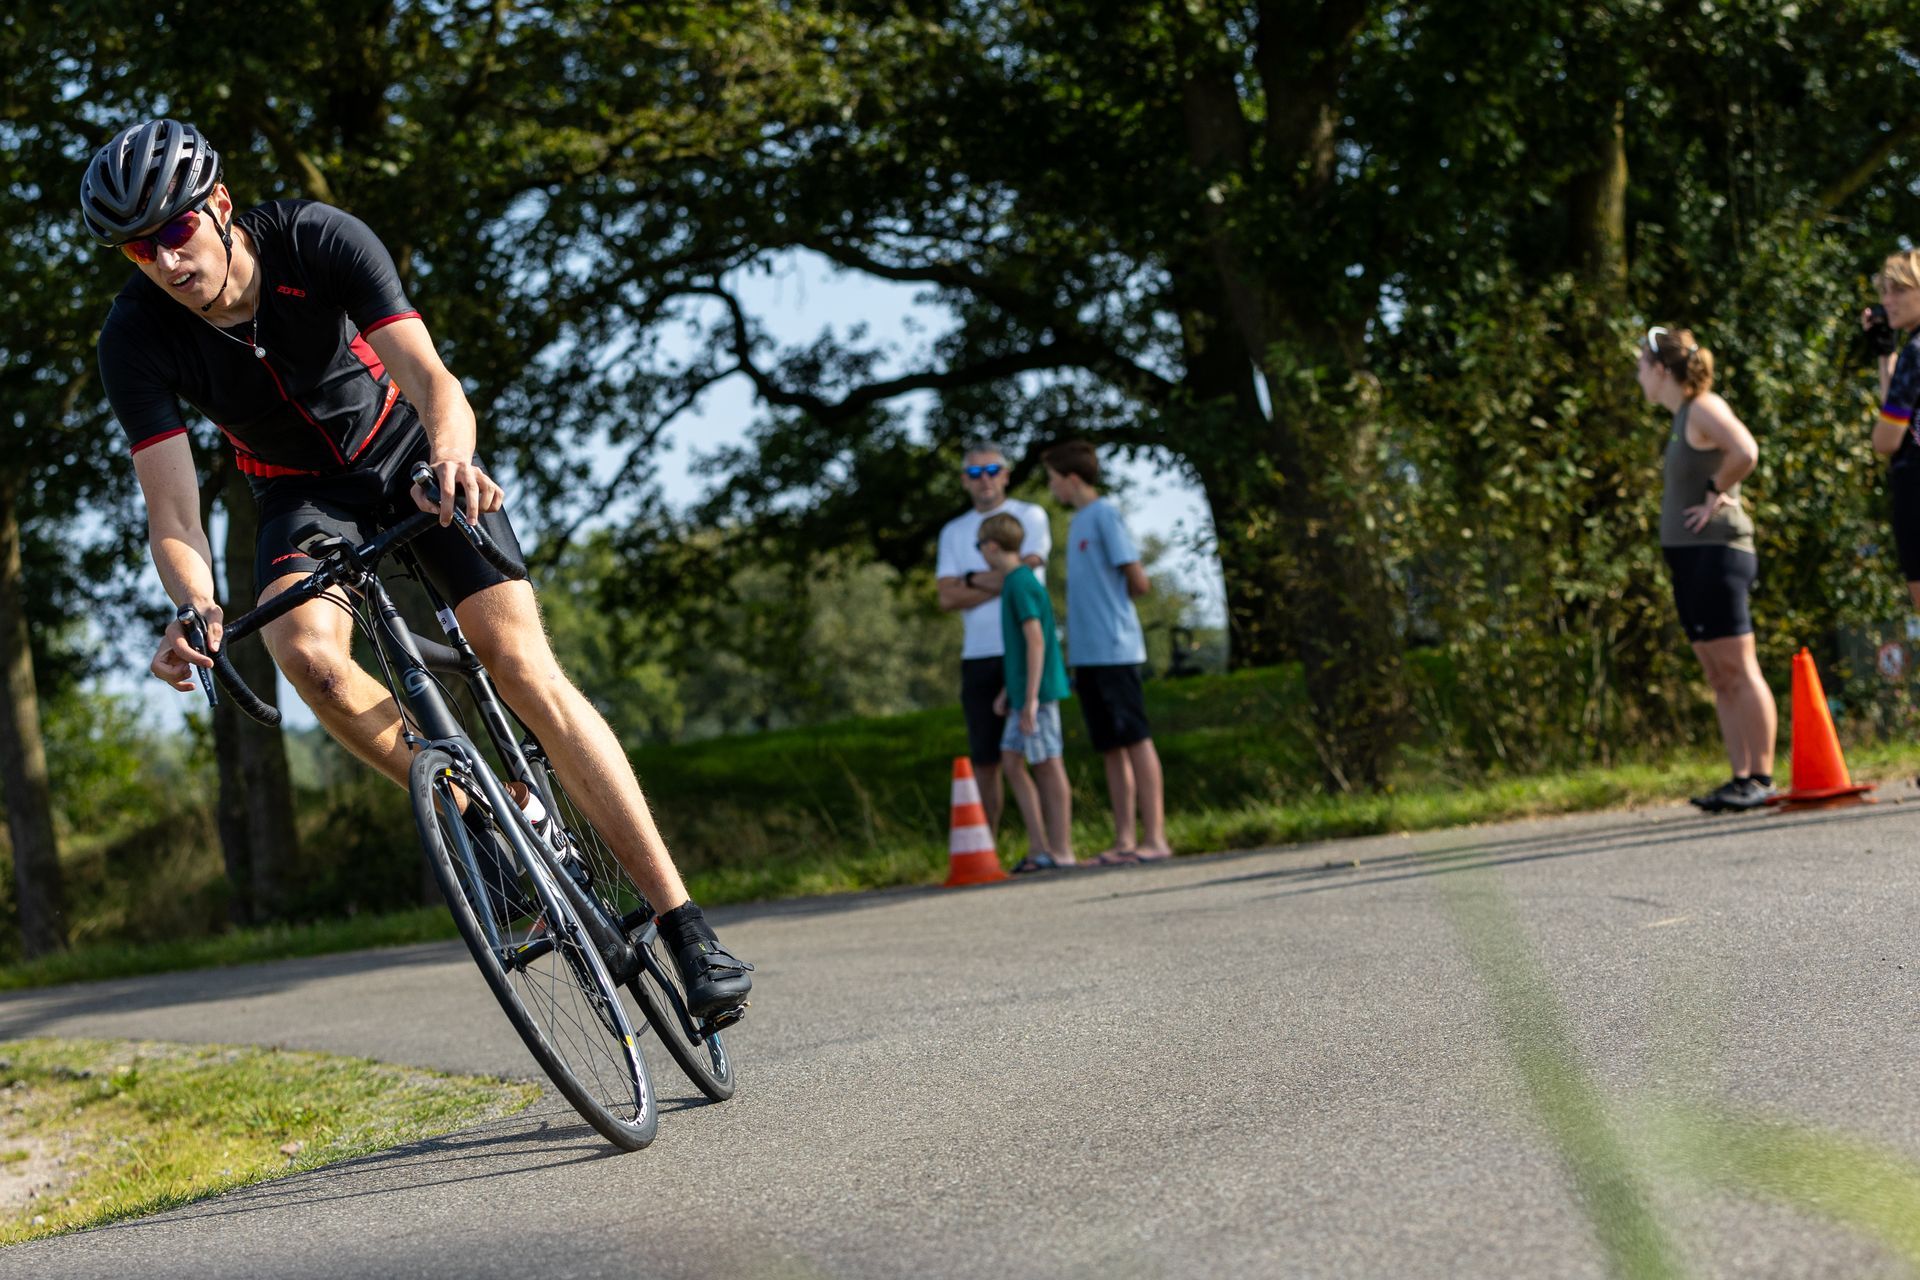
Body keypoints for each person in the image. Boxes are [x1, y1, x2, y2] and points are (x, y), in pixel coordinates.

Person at [84, 118, 751, 1017]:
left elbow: (435, 381)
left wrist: (450, 458)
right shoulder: (133, 337)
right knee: (303, 653)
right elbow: (171, 506)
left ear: (220, 206)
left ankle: (684, 926)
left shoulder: (316, 238)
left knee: (517, 662)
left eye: (175, 231)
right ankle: (488, 814)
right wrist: (195, 603)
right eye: (138, 248)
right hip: (296, 495)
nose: (165, 261)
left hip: (407, 452)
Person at [1637, 326, 1776, 813]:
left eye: (1640, 367)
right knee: (1718, 675)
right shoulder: (1681, 418)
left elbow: (1746, 450)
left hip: (1719, 552)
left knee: (1739, 666)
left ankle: (1761, 775)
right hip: (1691, 558)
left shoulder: (1703, 407)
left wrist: (1716, 491)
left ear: (1661, 370)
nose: (1638, 377)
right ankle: (1739, 777)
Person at [1040, 440, 1171, 862]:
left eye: (1053, 479)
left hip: (1115, 647)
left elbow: (1138, 579)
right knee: (1110, 747)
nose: (1051, 488)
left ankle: (1156, 839)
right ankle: (1125, 840)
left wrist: (1113, 604)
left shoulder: (1105, 514)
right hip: (1087, 653)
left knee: (1136, 738)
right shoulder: (1078, 522)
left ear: (1072, 479)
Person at [934, 441, 1051, 829]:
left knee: (1042, 754)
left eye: (990, 471)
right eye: (973, 473)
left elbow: (1027, 573)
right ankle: (988, 851)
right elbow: (947, 597)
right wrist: (1003, 578)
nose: (983, 480)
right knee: (987, 759)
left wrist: (970, 580)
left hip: (1024, 652)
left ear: (1005, 474)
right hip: (979, 655)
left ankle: (1054, 847)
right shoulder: (953, 531)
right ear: (964, 481)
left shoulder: (1029, 515)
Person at [976, 512, 1075, 872]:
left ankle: (1061, 849)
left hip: (1038, 694)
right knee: (1012, 760)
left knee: (1048, 764)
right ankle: (1038, 847)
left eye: (981, 548)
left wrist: (1031, 698)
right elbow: (1022, 647)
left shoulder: (1019, 584)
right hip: (1021, 693)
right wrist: (1009, 691)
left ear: (991, 546)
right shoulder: (1014, 583)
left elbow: (1036, 641)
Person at [1864, 250, 1920, 611]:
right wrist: (1886, 356)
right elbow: (1899, 410)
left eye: (1899, 290)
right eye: (1885, 291)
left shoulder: (1916, 352)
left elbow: (1886, 439)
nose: (1887, 300)